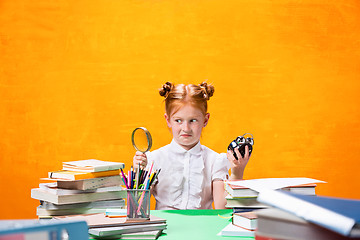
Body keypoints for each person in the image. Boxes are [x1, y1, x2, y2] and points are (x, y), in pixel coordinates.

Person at [133, 81, 251, 210]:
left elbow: (222, 209)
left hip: (203, 227)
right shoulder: (154, 159)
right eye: (178, 120)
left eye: (193, 120)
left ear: (205, 120)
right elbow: (139, 209)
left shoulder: (214, 160)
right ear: (168, 120)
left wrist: (237, 173)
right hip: (165, 227)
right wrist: (139, 174)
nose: (186, 128)